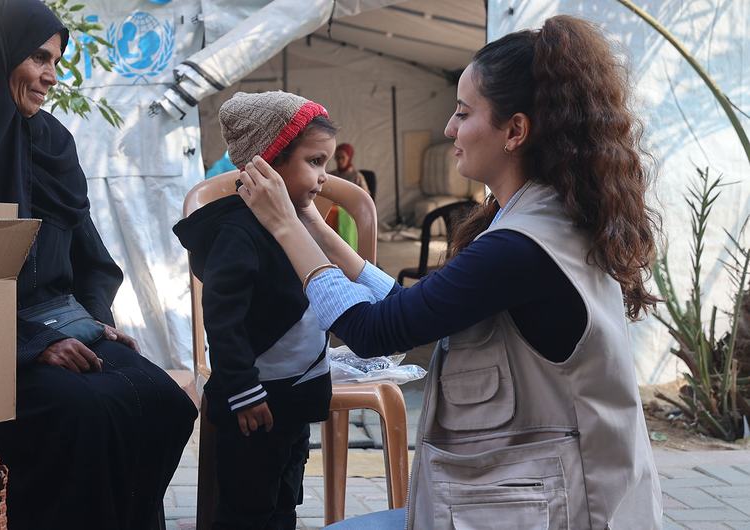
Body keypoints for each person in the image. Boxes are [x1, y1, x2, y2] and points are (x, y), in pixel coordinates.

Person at [235, 15, 662, 529]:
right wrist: (313, 224)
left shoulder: (520, 247)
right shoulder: (540, 217)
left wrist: (285, 227)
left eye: (462, 113)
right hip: (538, 498)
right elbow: (409, 306)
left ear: (516, 131)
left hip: (561, 509)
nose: (448, 129)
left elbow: (374, 330)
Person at [0, 0, 197, 528]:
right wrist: (30, 346)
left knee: (162, 401)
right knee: (84, 416)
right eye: (38, 58)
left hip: (61, 330)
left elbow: (92, 260)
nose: (50, 77)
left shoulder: (52, 142)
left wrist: (97, 320)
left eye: (55, 61)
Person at [173, 92, 335, 530]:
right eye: (315, 162)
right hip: (257, 403)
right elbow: (222, 315)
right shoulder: (239, 233)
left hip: (292, 398)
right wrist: (243, 390)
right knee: (248, 507)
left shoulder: (297, 222)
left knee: (285, 498)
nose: (324, 177)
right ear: (268, 163)